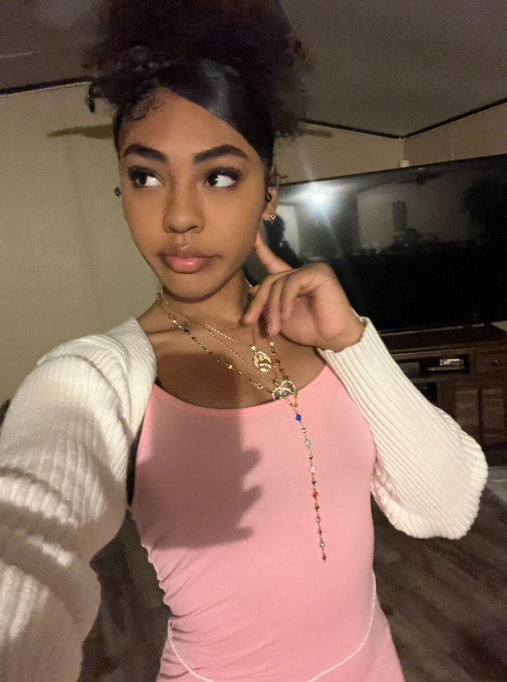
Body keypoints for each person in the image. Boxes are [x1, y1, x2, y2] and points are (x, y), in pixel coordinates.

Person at [0, 1, 488, 681]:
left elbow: (444, 507)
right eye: (146, 176)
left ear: (269, 194)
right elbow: (24, 556)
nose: (179, 215)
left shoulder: (326, 339)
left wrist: (352, 342)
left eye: (219, 176)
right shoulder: (95, 376)